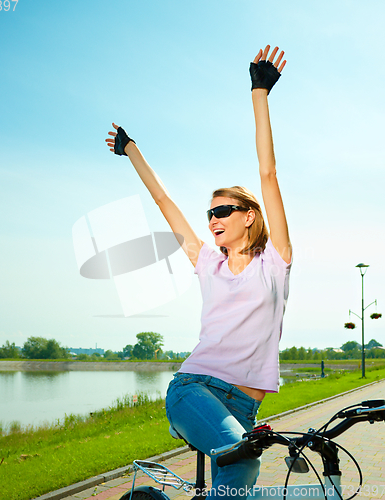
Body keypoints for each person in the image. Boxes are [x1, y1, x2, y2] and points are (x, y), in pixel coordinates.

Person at [106, 45, 292, 499]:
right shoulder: (208, 263)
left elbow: (268, 174)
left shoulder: (276, 262)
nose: (213, 219)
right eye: (209, 213)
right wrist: (131, 150)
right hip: (195, 389)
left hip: (244, 407)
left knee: (236, 486)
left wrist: (259, 92)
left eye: (224, 210)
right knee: (241, 460)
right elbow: (165, 203)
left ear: (249, 215)